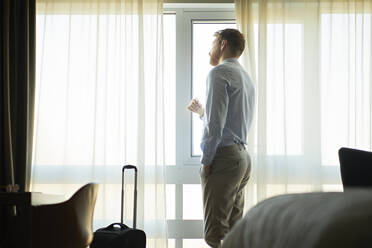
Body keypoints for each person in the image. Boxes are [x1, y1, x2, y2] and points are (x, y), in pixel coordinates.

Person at [187, 29, 255, 248]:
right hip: (242, 159)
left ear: (223, 44)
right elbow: (229, 120)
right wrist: (202, 114)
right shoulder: (245, 77)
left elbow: (216, 125)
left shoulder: (218, 73)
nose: (210, 50)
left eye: (213, 44)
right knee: (233, 234)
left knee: (215, 235)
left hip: (224, 159)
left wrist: (206, 160)